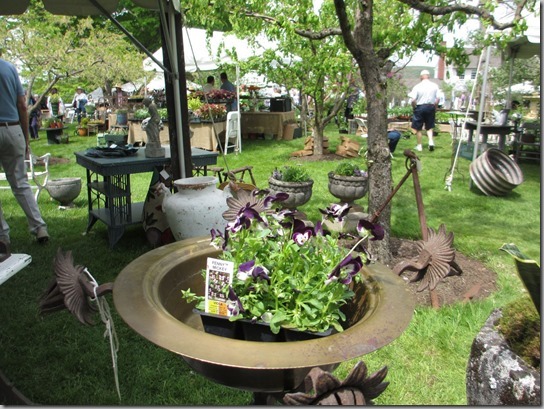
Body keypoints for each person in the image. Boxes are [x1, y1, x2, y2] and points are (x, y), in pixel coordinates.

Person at [0, 58, 49, 245]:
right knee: (20, 182)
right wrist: (26, 138)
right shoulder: (9, 68)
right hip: (12, 129)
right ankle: (39, 227)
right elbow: (22, 105)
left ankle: (2, 236)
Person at [409, 69, 439, 152]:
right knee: (429, 126)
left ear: (421, 77)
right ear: (428, 76)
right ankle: (431, 142)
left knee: (418, 127)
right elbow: (438, 99)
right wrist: (435, 107)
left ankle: (419, 146)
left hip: (420, 107)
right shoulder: (435, 86)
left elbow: (413, 100)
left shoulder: (417, 86)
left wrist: (414, 107)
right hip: (430, 106)